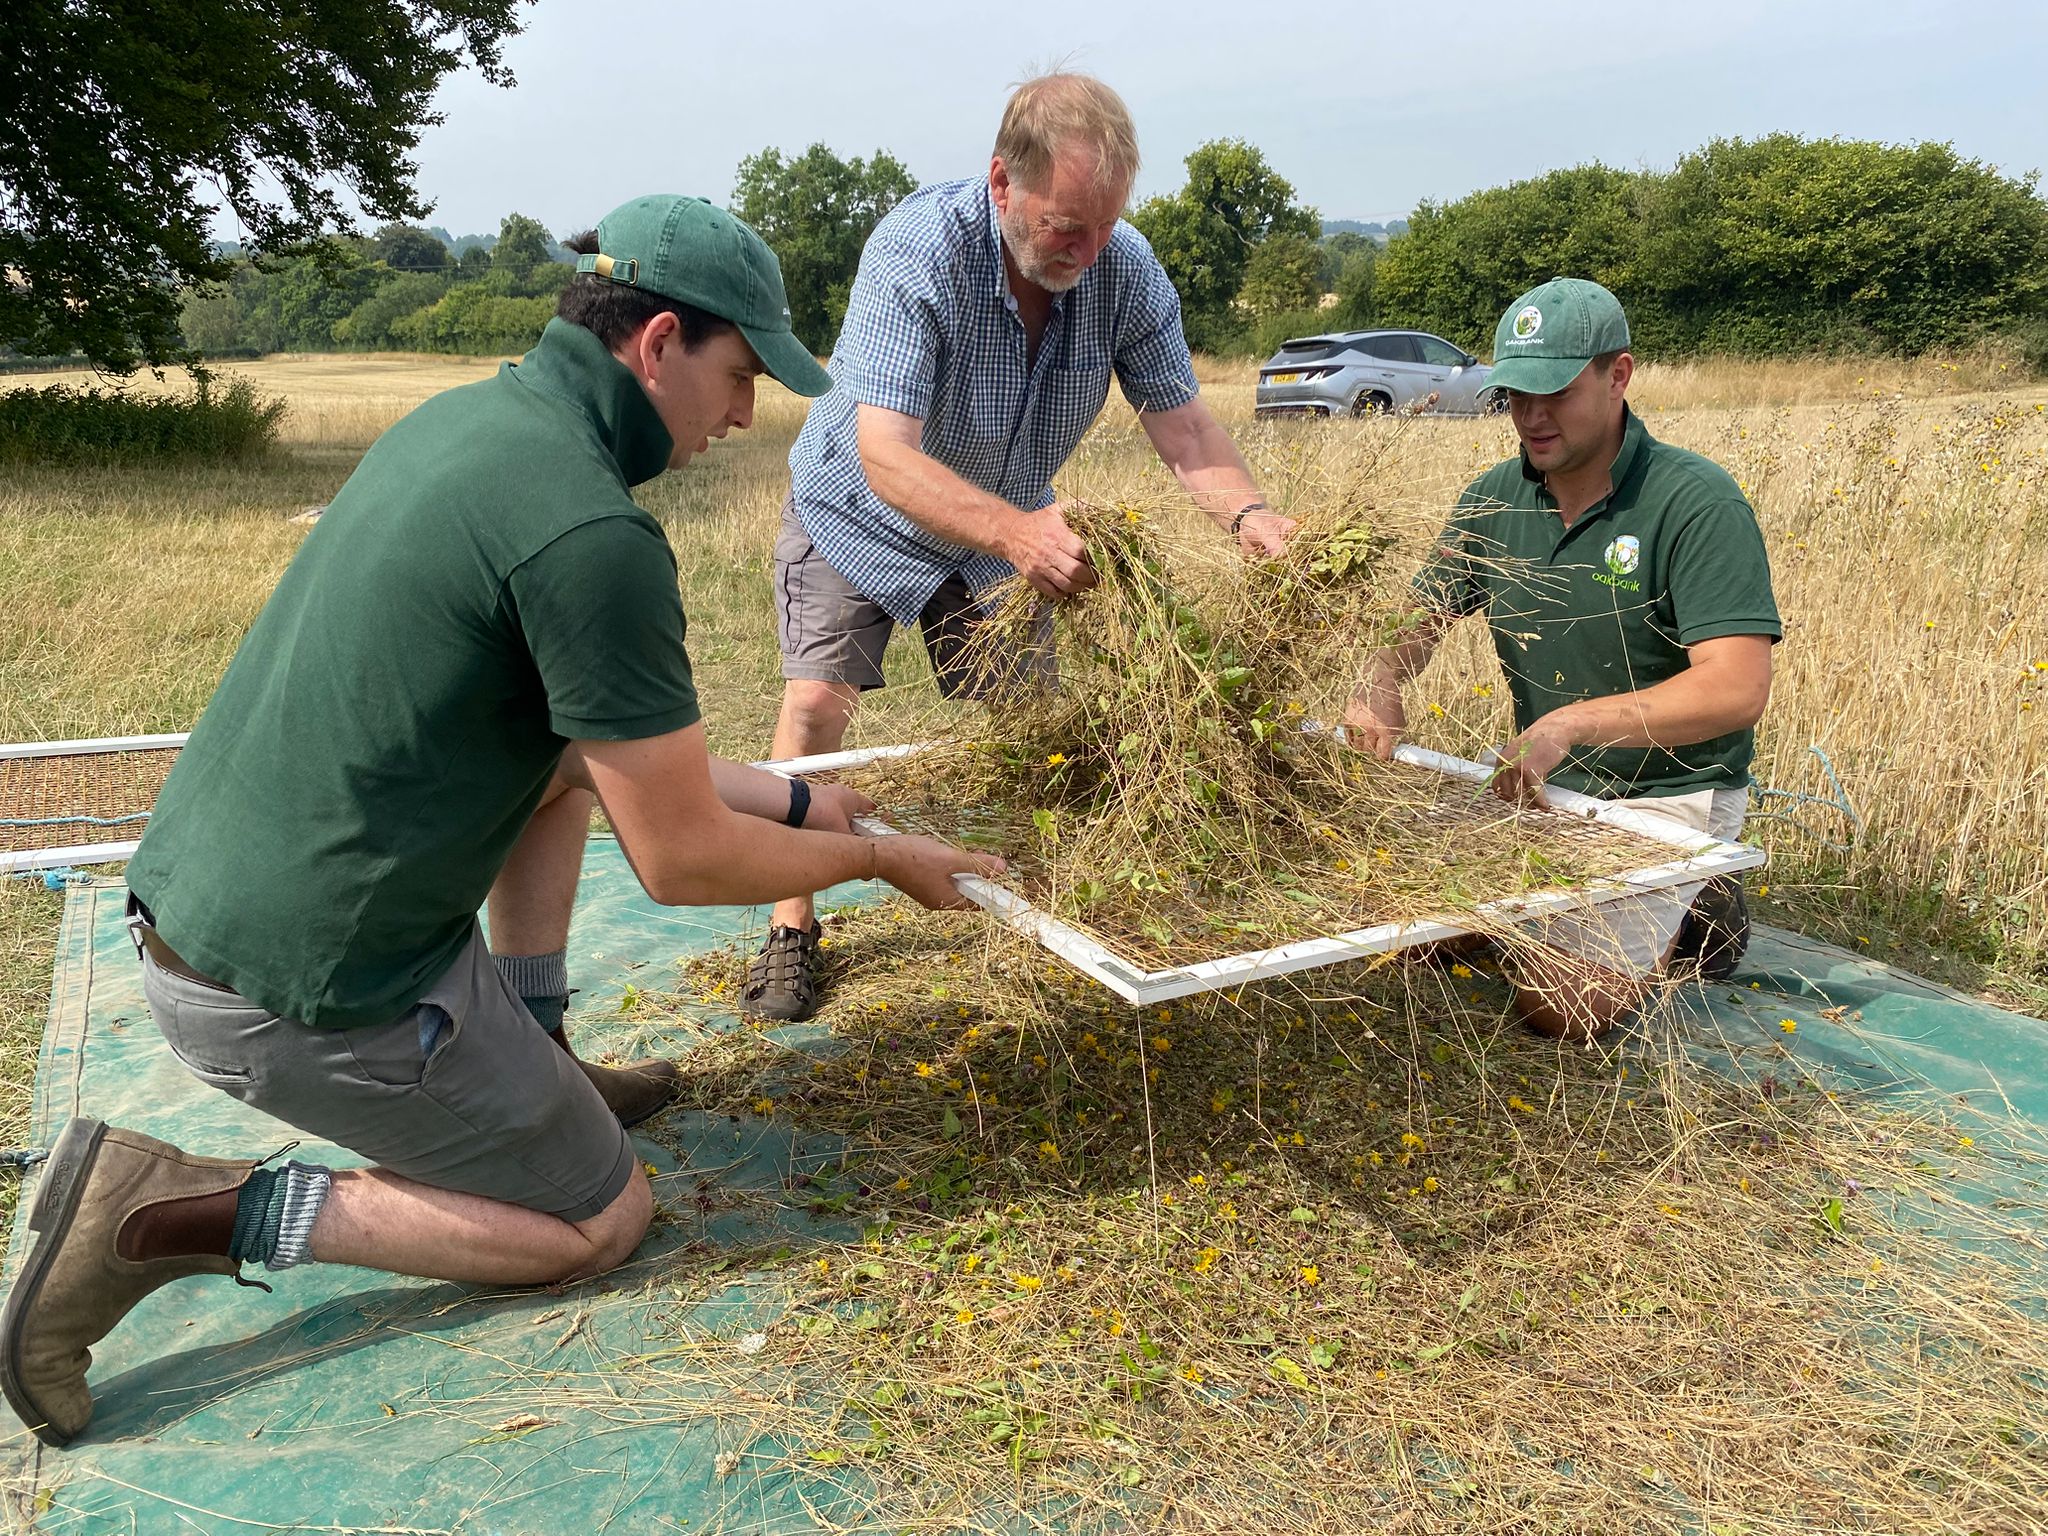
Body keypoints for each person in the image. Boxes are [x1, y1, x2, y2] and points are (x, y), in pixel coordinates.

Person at [0, 196, 1002, 1448]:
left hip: (210, 907)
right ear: (656, 346)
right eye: (739, 375)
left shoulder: (476, 422)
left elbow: (605, 756)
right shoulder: (590, 535)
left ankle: (535, 1045)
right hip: (301, 988)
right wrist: (873, 857)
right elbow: (682, 854)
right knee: (599, 1221)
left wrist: (806, 797)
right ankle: (168, 1209)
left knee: (548, 767)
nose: (744, 418)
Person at [749, 71, 1293, 1021]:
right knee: (813, 713)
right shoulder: (919, 250)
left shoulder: (1121, 270)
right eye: (1064, 227)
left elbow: (1187, 428)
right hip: (859, 507)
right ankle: (790, 930)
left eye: (1105, 227)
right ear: (1003, 183)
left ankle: (1028, 909)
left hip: (1003, 528)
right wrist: (1017, 532)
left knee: (1032, 730)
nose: (1085, 251)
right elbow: (885, 455)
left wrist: (1250, 518)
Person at [1344, 277, 1779, 1040]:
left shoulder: (1693, 502)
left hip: (1663, 792)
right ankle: (1518, 915)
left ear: (1618, 376)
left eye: (1556, 393)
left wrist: (1575, 723)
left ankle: (1698, 913)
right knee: (1390, 938)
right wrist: (1377, 680)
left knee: (1559, 1011)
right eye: (1515, 394)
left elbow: (1737, 687)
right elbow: (1414, 622)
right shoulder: (1493, 498)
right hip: (1533, 784)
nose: (1532, 418)